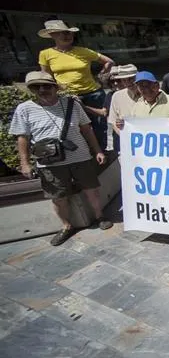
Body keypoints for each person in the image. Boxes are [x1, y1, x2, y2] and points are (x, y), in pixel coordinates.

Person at [10, 71, 111, 246]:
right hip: (50, 162)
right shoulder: (24, 109)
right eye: (37, 87)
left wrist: (97, 151)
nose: (42, 90)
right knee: (58, 197)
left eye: (47, 86)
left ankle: (99, 216)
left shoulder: (72, 104)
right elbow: (22, 138)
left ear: (55, 87)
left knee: (92, 189)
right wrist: (24, 163)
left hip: (80, 157)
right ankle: (66, 226)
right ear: (32, 89)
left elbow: (87, 129)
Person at [38, 19, 114, 146]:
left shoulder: (84, 51)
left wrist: (101, 75)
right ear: (52, 35)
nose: (66, 36)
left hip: (92, 93)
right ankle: (85, 154)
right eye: (61, 33)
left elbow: (109, 61)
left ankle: (101, 153)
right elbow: (46, 77)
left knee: (99, 125)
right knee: (74, 126)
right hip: (68, 96)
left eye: (68, 33)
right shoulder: (46, 54)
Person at [105, 64, 139, 153]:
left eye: (131, 79)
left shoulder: (150, 94)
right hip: (127, 145)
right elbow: (113, 121)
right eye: (124, 80)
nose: (128, 82)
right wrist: (126, 137)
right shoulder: (117, 96)